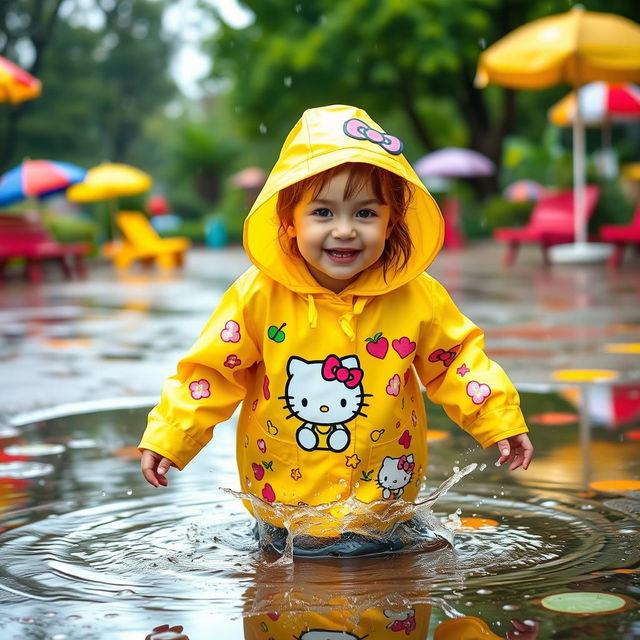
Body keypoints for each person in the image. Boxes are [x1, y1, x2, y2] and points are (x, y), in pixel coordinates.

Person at [139, 104, 533, 553]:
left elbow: (459, 362)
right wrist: (172, 435)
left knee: (389, 600)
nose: (344, 230)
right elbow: (211, 373)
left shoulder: (417, 296)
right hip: (284, 512)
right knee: (281, 596)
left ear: (392, 221)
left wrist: (498, 419)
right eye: (323, 213)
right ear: (290, 220)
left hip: (383, 511)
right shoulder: (257, 297)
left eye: (365, 213)